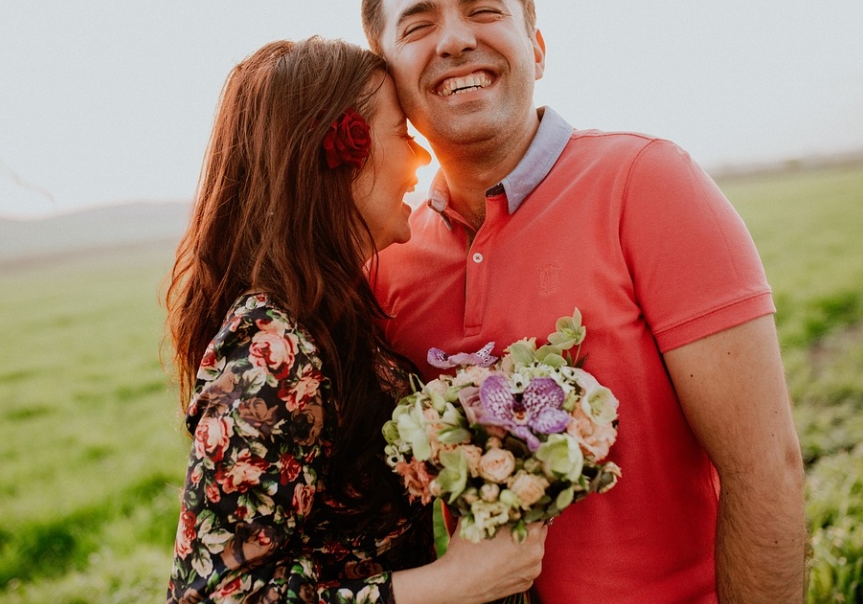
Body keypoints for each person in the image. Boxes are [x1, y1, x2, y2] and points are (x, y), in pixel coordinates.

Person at [360, 1, 807, 602]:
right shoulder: (388, 258)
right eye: (418, 25)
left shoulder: (647, 181)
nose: (455, 40)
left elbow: (764, 469)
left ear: (537, 49)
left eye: (484, 9)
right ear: (387, 76)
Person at [164, 36, 547, 604]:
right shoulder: (275, 347)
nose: (420, 159)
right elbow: (216, 596)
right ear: (340, 152)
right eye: (401, 133)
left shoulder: (329, 312)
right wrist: (455, 582)